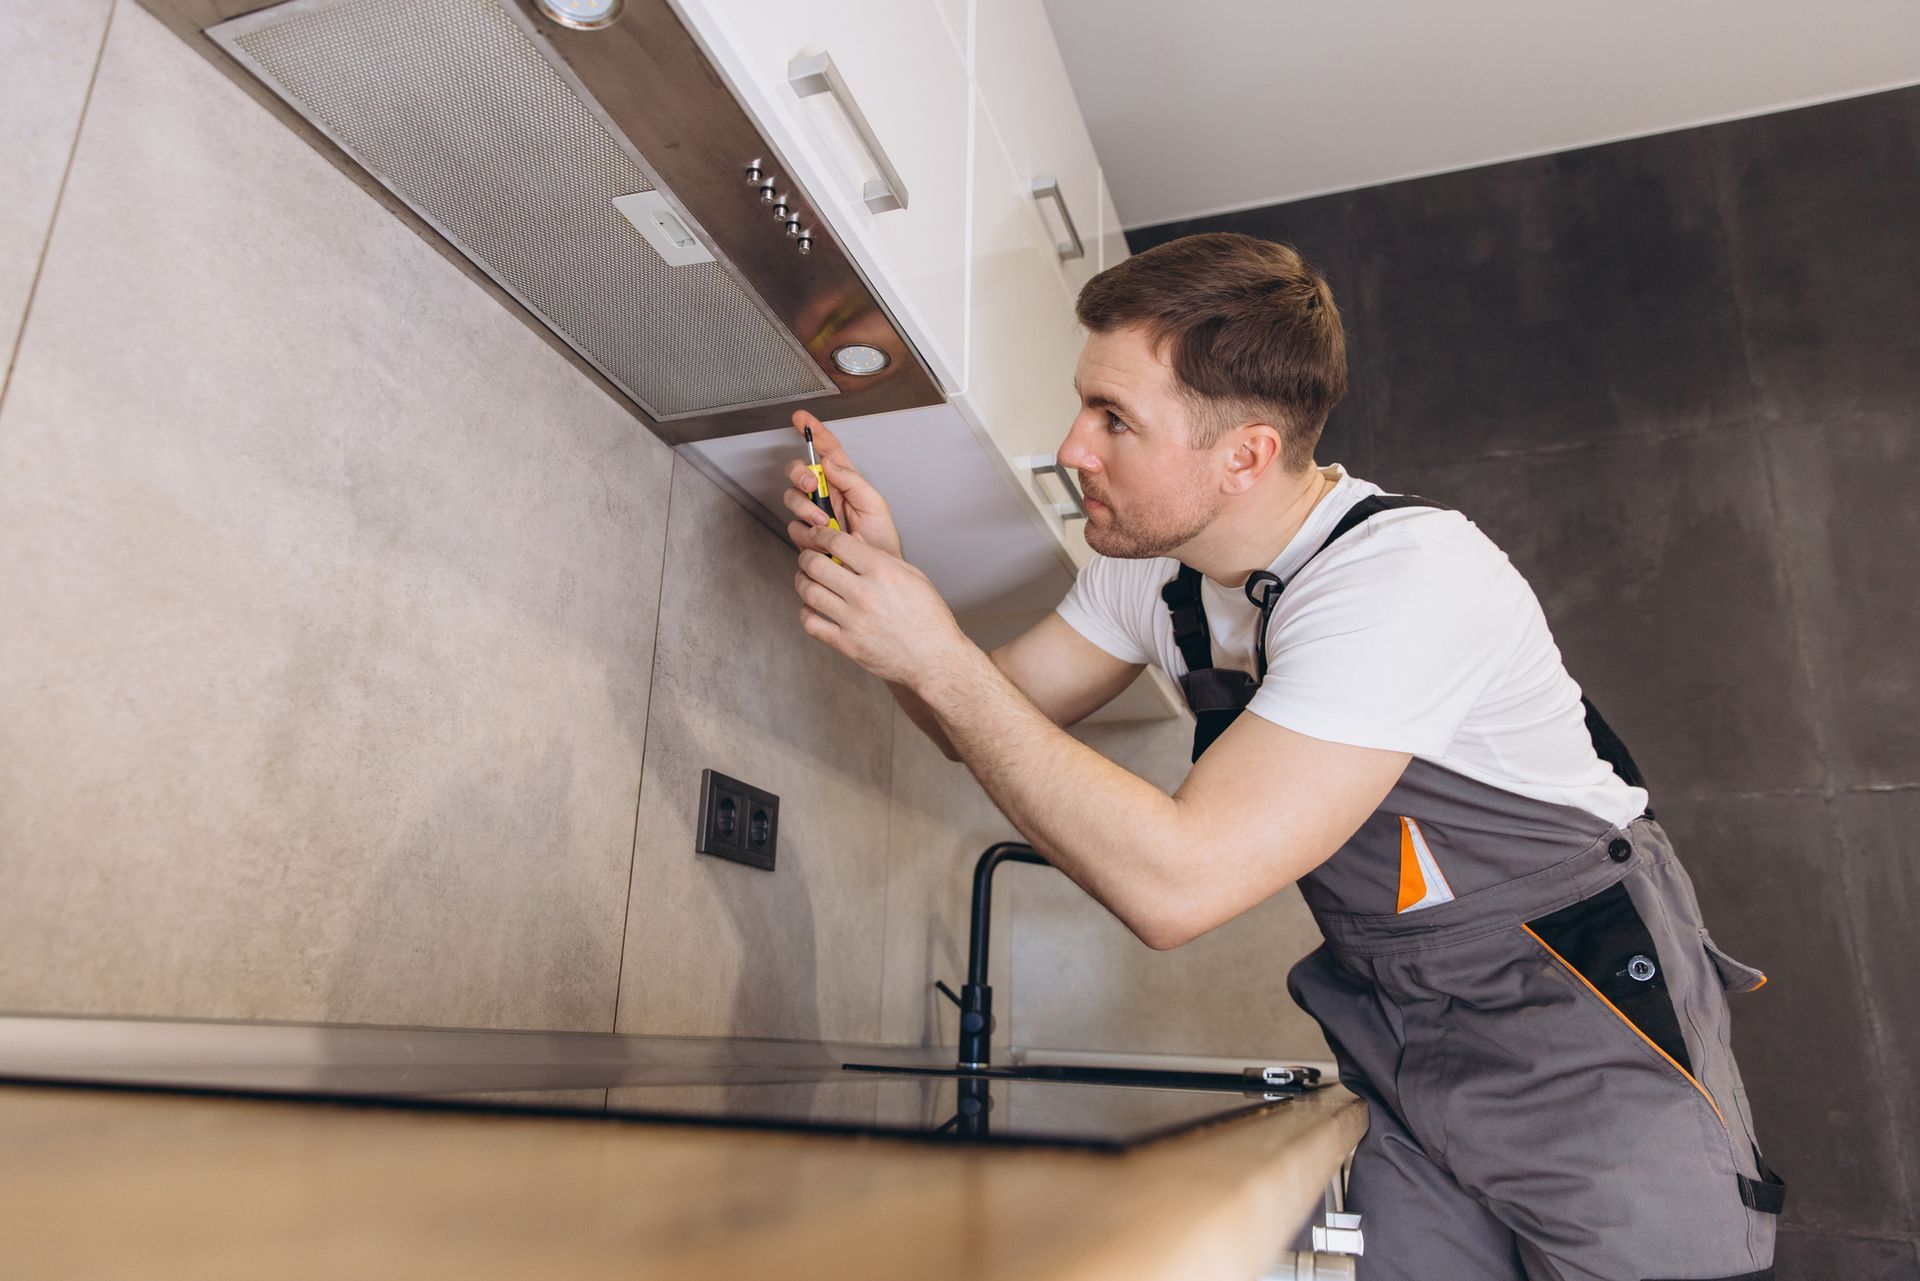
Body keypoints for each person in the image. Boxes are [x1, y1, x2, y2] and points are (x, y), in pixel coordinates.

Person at [780, 232, 1782, 1281]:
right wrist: (891, 595)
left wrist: (936, 656)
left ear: (1246, 453)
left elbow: (1178, 885)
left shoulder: (1404, 579)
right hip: (1404, 1056)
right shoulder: (1153, 579)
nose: (1075, 448)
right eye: (1086, 404)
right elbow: (972, 716)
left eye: (1114, 418)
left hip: (1585, 1050)